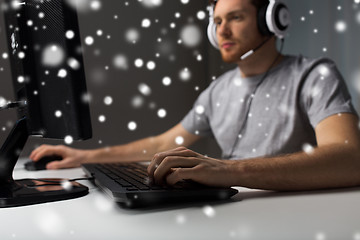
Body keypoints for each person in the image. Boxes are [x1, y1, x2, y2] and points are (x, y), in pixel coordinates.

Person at [30, 0, 360, 191]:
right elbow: (162, 144)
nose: (222, 30)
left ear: (272, 21)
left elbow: (349, 160)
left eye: (236, 18)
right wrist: (84, 157)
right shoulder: (218, 90)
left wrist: (228, 170)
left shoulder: (315, 74)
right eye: (217, 21)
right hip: (234, 205)